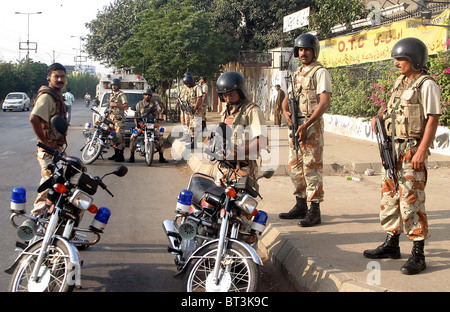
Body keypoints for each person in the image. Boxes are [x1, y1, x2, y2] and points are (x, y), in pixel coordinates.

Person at [363, 37, 441, 275]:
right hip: (392, 149)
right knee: (390, 196)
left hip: (411, 151)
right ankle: (391, 243)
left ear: (414, 60)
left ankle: (418, 254)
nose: (396, 63)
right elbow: (391, 111)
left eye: (401, 59)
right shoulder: (400, 83)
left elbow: (432, 119)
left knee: (411, 200)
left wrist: (420, 151)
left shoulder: (426, 85)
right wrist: (379, 119)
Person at [278, 33, 332, 227]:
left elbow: (324, 102)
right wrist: (285, 110)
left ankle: (314, 210)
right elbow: (288, 97)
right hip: (295, 126)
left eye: (307, 49)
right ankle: (300, 204)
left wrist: (306, 124)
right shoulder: (296, 73)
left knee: (311, 167)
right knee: (295, 166)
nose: (303, 53)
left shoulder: (320, 73)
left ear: (314, 51)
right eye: (300, 49)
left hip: (311, 126)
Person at [29, 63, 68, 216]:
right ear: (48, 77)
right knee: (48, 185)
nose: (59, 79)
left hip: (57, 149)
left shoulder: (56, 95)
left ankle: (53, 219)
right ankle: (33, 223)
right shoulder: (47, 96)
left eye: (62, 76)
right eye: (56, 76)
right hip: (48, 151)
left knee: (70, 178)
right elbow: (34, 119)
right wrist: (46, 143)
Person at [216, 71, 267, 182]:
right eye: (224, 96)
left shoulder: (252, 111)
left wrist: (240, 151)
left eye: (231, 95)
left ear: (241, 92)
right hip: (225, 166)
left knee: (242, 199)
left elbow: (262, 141)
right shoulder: (227, 110)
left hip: (244, 167)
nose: (228, 99)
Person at [127, 89, 168, 163]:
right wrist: (137, 126)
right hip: (142, 125)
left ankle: (161, 156)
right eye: (146, 95)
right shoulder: (139, 104)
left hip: (153, 124)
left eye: (149, 95)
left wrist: (161, 116)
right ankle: (131, 156)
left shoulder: (155, 104)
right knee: (133, 137)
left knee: (160, 137)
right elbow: (136, 115)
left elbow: (159, 111)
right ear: (143, 95)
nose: (147, 96)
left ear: (151, 96)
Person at [107, 78, 128, 162]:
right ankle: (116, 153)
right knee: (113, 136)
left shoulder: (121, 95)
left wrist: (115, 104)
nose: (113, 87)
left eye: (115, 85)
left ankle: (121, 155)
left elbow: (126, 106)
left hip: (119, 119)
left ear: (118, 86)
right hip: (112, 118)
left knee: (120, 137)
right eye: (112, 85)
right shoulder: (112, 94)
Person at [179, 73, 203, 141]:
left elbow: (199, 98)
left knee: (195, 126)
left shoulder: (197, 87)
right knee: (188, 124)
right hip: (188, 110)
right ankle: (190, 138)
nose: (187, 85)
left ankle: (194, 140)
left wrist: (194, 109)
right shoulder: (186, 88)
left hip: (196, 110)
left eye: (188, 84)